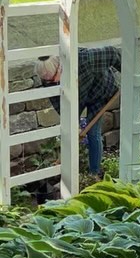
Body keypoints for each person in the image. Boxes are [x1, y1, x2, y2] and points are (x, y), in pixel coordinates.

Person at [35, 46, 122, 177]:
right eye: (47, 81)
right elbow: (61, 106)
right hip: (77, 97)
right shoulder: (48, 77)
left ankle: (95, 173)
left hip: (100, 90)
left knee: (93, 133)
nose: (51, 83)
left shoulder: (84, 59)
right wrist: (73, 125)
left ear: (60, 66)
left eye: (52, 79)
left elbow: (113, 53)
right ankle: (68, 174)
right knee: (70, 132)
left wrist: (128, 75)